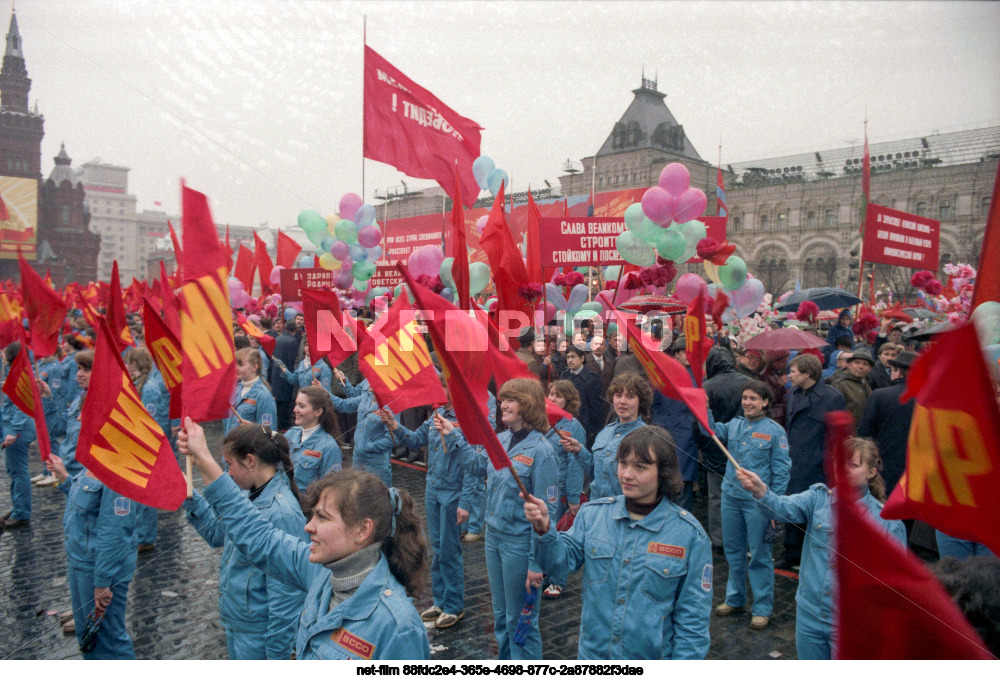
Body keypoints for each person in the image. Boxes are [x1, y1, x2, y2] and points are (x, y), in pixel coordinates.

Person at [178, 419, 431, 659]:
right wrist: (203, 461)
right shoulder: (319, 573)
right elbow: (259, 537)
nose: (308, 527)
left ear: (362, 530)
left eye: (322, 517)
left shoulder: (399, 627)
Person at [523, 425, 712, 659]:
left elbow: (693, 624)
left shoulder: (690, 535)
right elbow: (558, 564)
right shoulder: (592, 515)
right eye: (623, 463)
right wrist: (544, 530)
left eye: (640, 467)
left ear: (664, 471)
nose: (627, 474)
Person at [735, 437, 906, 659]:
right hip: (809, 614)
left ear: (871, 472)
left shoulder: (888, 522)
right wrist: (761, 491)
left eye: (853, 465)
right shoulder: (818, 498)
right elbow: (781, 509)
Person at [442, 378, 559, 660]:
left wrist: (536, 563)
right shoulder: (501, 439)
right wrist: (454, 437)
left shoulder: (542, 451)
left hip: (519, 545)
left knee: (521, 621)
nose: (502, 404)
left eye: (510, 400)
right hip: (492, 539)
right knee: (501, 617)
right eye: (503, 399)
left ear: (527, 405)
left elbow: (548, 515)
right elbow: (478, 467)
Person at [183, 423, 308, 658]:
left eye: (229, 464)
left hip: (258, 636)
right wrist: (188, 495)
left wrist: (277, 655)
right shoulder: (246, 493)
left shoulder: (282, 513)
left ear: (250, 461)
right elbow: (217, 534)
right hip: (239, 624)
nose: (228, 472)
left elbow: (287, 600)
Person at [377, 379, 491, 628]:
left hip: (453, 492)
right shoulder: (435, 416)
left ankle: (454, 606)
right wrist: (394, 424)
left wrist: (465, 502)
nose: (435, 395)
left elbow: (473, 468)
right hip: (433, 488)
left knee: (450, 550)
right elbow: (416, 440)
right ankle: (440, 600)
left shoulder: (468, 417)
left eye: (441, 390)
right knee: (436, 548)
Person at [708, 380, 790, 630]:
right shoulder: (734, 425)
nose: (748, 403)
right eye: (745, 398)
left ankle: (762, 608)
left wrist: (774, 504)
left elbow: (782, 471)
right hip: (730, 498)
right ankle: (735, 599)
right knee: (733, 552)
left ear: (765, 402)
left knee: (760, 555)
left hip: (757, 503)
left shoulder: (775, 432)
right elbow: (709, 430)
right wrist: (704, 407)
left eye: (754, 398)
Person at [44, 451, 138, 658]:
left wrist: (103, 581)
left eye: (84, 416)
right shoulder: (98, 456)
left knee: (108, 642)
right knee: (88, 637)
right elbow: (87, 508)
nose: (78, 417)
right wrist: (64, 478)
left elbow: (115, 530)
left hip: (99, 569)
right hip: (81, 564)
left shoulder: (119, 466)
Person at [780, 354, 846, 570]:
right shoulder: (793, 394)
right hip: (794, 461)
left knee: (814, 512)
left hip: (817, 463)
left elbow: (837, 436)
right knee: (792, 507)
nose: (789, 375)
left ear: (807, 374)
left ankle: (810, 556)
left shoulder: (832, 397)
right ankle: (792, 554)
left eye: (793, 371)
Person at [562, 373, 652, 501]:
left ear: (641, 401)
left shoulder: (646, 436)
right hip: (597, 506)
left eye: (630, 397)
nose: (622, 401)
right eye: (618, 395)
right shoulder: (606, 431)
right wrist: (578, 450)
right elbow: (596, 472)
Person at [540, 380, 587, 598]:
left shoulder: (572, 425)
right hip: (542, 489)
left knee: (556, 535)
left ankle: (558, 578)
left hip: (559, 493)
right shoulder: (545, 423)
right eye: (550, 394)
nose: (552, 399)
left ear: (568, 400)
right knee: (541, 533)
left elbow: (575, 465)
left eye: (558, 396)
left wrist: (574, 496)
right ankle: (544, 572)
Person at [124, 347, 171, 551]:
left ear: (135, 363)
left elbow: (149, 420)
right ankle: (140, 532)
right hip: (135, 443)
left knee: (146, 493)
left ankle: (146, 537)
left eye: (128, 362)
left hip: (145, 445)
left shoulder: (150, 388)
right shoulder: (137, 384)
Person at [857, 351, 917, 497]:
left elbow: (865, 434)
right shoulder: (929, 398)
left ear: (898, 372)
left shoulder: (880, 396)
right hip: (919, 472)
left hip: (886, 470)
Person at [329, 370, 396, 487]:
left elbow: (393, 438)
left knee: (377, 500)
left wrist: (369, 447)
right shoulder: (365, 397)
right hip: (357, 459)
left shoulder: (391, 405)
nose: (368, 381)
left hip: (376, 464)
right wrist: (324, 392)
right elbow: (343, 404)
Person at [1, 342, 37, 528]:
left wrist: (13, 431)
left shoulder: (22, 375)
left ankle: (21, 512)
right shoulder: (17, 372)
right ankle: (17, 507)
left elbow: (21, 406)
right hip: (14, 428)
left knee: (19, 471)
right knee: (14, 471)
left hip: (18, 430)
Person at [285, 386, 343, 494]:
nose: (295, 410)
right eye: (296, 404)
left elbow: (330, 490)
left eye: (301, 406)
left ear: (317, 412)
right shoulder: (290, 434)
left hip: (305, 507)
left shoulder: (329, 447)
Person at [225, 347, 277, 434]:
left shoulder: (264, 396)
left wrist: (252, 429)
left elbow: (268, 432)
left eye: (241, 365)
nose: (236, 368)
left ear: (254, 367)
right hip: (231, 445)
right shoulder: (235, 390)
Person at [561, 345, 603, 446]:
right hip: (566, 424)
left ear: (582, 358)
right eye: (568, 357)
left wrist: (593, 430)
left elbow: (596, 408)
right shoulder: (564, 375)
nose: (570, 360)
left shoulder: (592, 379)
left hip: (584, 426)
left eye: (573, 357)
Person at [271, 310, 300, 430]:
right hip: (285, 375)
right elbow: (292, 360)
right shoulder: (292, 341)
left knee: (278, 402)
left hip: (276, 375)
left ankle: (278, 425)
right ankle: (284, 426)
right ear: (294, 330)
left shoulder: (277, 339)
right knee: (285, 403)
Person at [830, 349, 873, 423]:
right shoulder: (840, 384)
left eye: (865, 364)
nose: (861, 366)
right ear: (849, 365)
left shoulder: (866, 384)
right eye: (857, 363)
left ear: (870, 368)